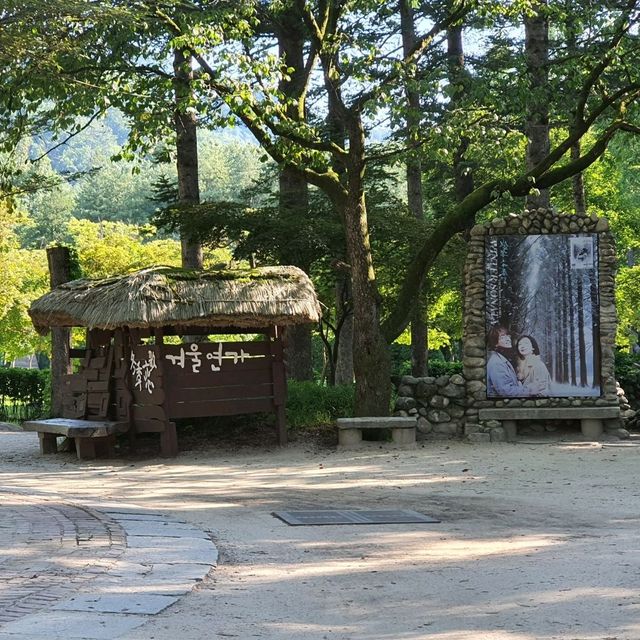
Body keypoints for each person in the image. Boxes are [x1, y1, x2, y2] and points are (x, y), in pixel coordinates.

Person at [486, 324, 525, 397]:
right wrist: (529, 391)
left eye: (508, 336)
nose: (508, 339)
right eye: (502, 337)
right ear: (495, 343)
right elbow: (506, 391)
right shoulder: (496, 363)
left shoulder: (502, 358)